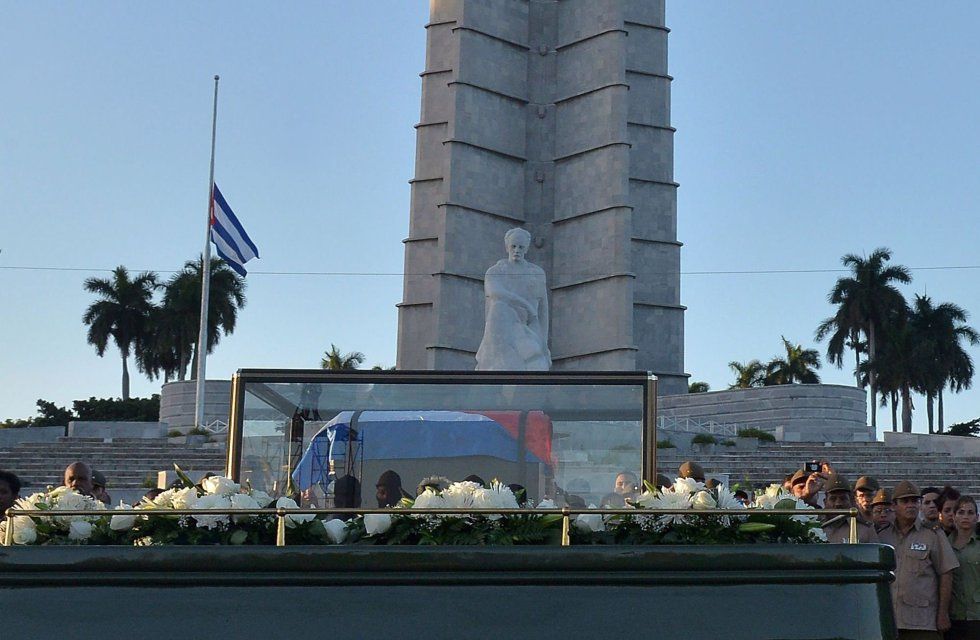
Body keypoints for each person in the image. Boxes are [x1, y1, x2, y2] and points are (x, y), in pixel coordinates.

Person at [878, 480, 958, 638]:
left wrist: (943, 614)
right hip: (888, 620)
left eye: (914, 501)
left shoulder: (933, 535)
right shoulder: (882, 536)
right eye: (905, 501)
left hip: (923, 622)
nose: (911, 505)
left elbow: (946, 573)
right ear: (894, 506)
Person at [475, 227, 551, 371]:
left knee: (536, 365)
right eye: (513, 246)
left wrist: (543, 344)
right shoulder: (495, 271)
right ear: (507, 247)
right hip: (502, 329)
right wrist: (526, 306)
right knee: (499, 307)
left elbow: (542, 312)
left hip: (528, 329)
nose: (517, 250)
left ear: (527, 248)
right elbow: (496, 293)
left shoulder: (536, 273)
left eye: (521, 247)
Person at [947, 496, 980, 639]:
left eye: (970, 512)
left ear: (977, 517)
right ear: (954, 516)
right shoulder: (944, 545)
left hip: (977, 614)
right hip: (952, 615)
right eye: (961, 512)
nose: (965, 516)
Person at [820, 474, 877, 543]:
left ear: (851, 501)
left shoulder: (865, 530)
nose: (838, 503)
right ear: (825, 501)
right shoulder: (815, 527)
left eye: (843, 498)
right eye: (833, 499)